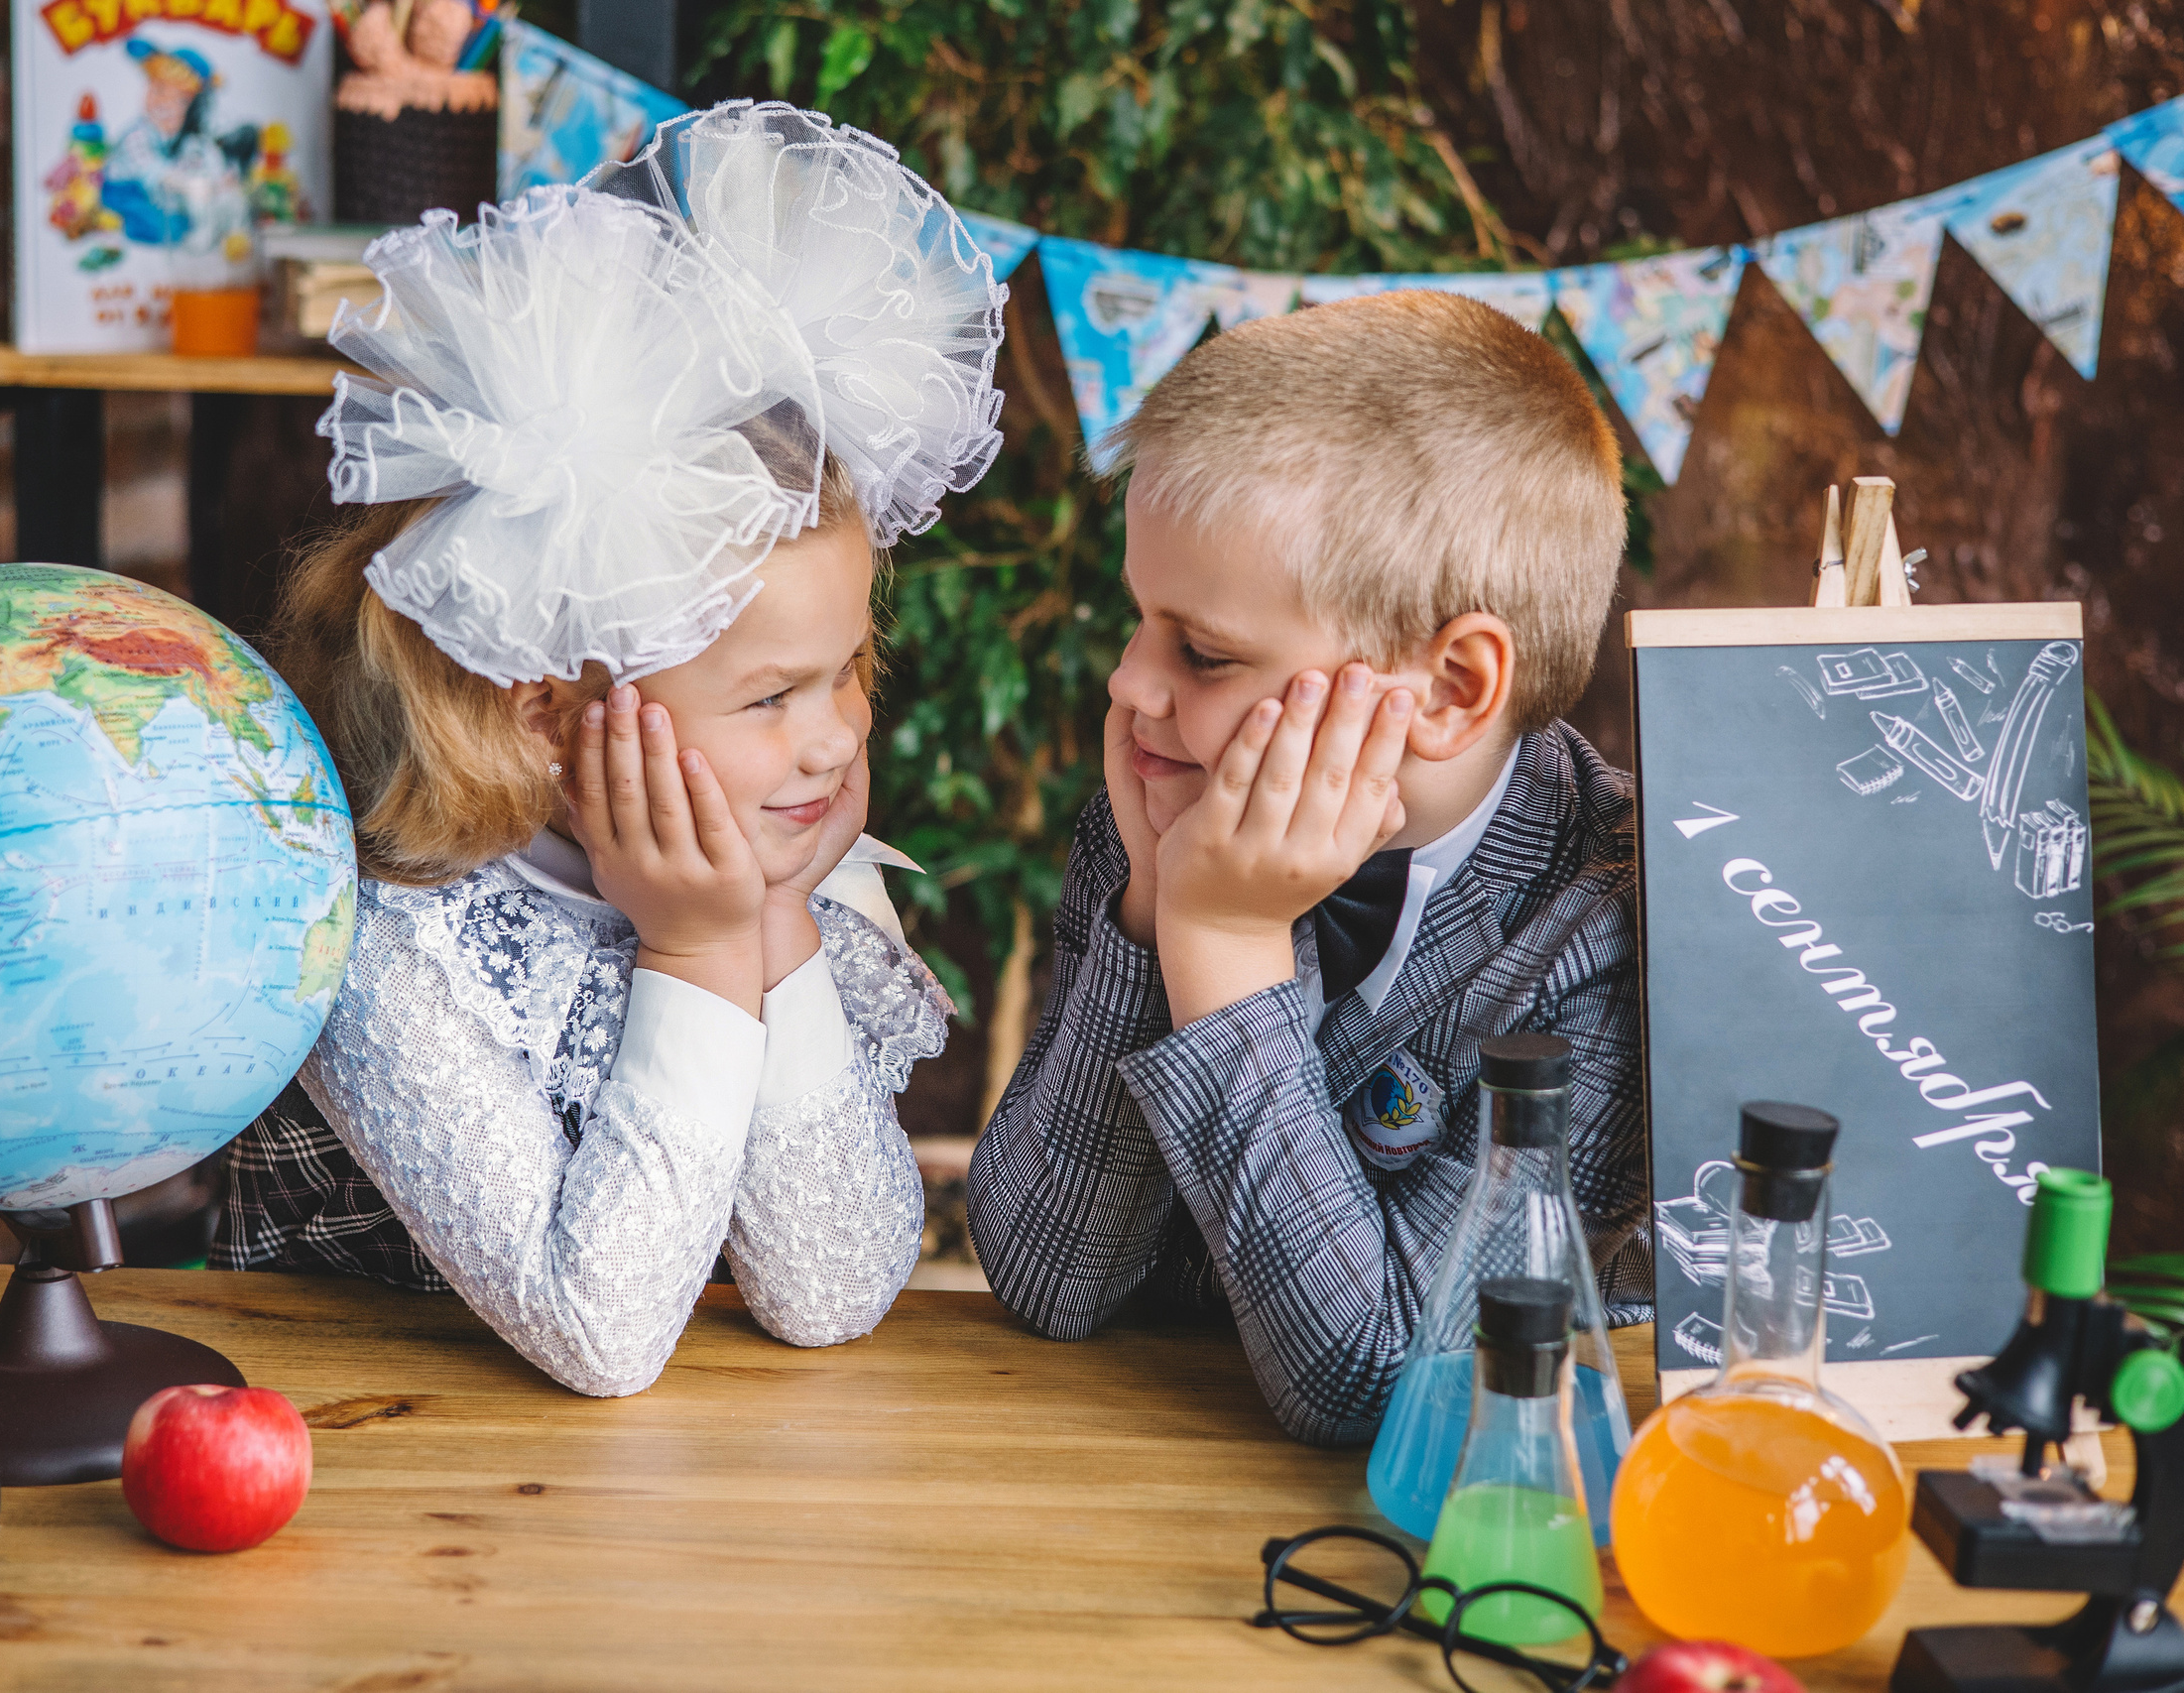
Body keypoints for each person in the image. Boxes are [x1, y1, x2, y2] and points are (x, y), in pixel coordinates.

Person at [214, 103, 1008, 1398]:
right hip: (380, 1455)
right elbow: (601, 1335)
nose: (837, 736)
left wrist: (772, 924)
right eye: (772, 697)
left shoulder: (762, 866)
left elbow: (833, 1288)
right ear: (546, 714)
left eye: (849, 669)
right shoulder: (386, 942)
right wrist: (698, 952)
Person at [967, 291, 1649, 1444]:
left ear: (1449, 689)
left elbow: (1384, 1390)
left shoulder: (1608, 928)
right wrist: (1153, 909)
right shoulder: (1166, 810)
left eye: (1203, 651)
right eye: (1140, 620)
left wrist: (1225, 947)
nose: (1129, 683)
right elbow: (1050, 1278)